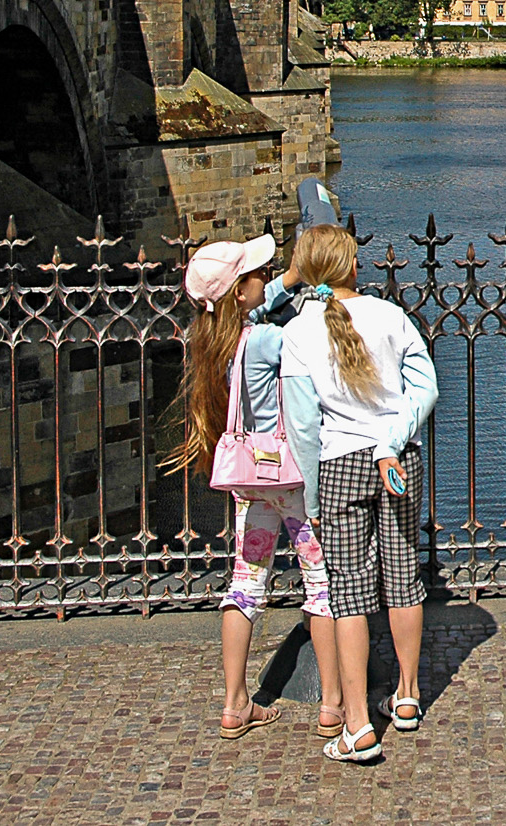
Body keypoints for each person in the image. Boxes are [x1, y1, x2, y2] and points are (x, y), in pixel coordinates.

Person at [166, 235, 344, 742]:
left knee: (245, 585)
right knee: (321, 585)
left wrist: (288, 279)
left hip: (249, 481)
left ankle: (234, 703)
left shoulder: (213, 340)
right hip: (288, 478)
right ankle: (331, 704)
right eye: (256, 275)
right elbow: (311, 343)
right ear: (241, 292)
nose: (264, 279)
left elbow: (249, 310)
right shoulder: (268, 339)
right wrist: (315, 293)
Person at [282, 223, 438, 764]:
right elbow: (425, 389)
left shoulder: (298, 332)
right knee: (403, 575)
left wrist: (311, 501)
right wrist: (390, 441)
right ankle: (409, 696)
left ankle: (356, 725)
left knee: (348, 590)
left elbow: (302, 426)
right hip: (396, 462)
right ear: (352, 266)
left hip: (338, 465)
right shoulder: (392, 317)